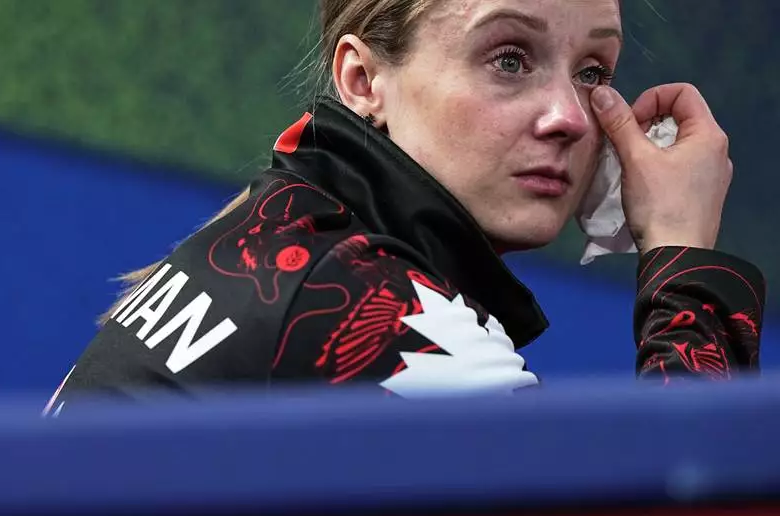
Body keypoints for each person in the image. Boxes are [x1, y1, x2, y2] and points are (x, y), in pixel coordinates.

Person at [45, 0, 765, 413]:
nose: (570, 118)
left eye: (591, 73)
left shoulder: (280, 237)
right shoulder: (382, 317)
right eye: (509, 59)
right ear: (362, 81)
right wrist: (682, 250)